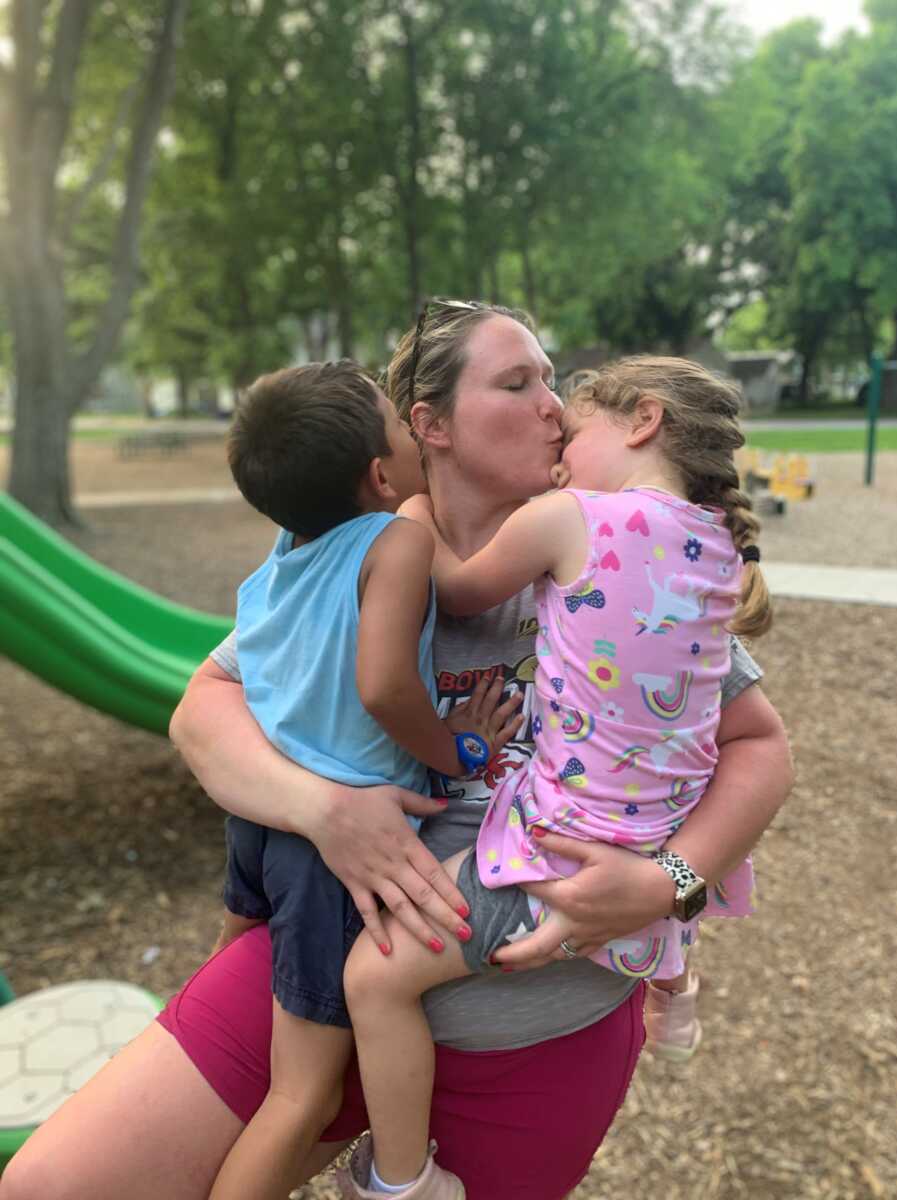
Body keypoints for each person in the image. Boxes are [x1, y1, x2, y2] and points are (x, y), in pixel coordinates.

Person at [0, 302, 792, 1200]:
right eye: (518, 382)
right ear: (430, 426)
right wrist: (326, 811)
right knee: (52, 1187)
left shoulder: (623, 555)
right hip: (319, 974)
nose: (558, 409)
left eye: (554, 383)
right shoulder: (352, 549)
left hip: (542, 1019)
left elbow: (760, 746)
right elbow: (201, 711)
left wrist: (669, 884)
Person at [337, 354, 773, 1197]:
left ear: (641, 421)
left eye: (574, 432)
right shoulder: (721, 549)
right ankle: (674, 980)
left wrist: (414, 512)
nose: (561, 452)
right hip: (665, 836)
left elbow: (460, 589)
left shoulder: (570, 516)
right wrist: (674, 883)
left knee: (372, 975)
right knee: (651, 786)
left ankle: (403, 1183)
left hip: (563, 857)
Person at [207, 361, 521, 1200]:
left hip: (260, 816)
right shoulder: (399, 541)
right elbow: (385, 687)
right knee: (299, 1093)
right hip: (332, 853)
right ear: (383, 474)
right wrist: (458, 750)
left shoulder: (289, 544)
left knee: (234, 999)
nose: (416, 431)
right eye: (399, 423)